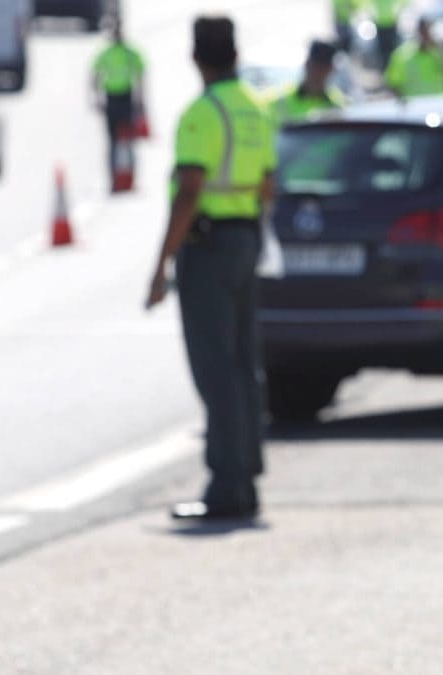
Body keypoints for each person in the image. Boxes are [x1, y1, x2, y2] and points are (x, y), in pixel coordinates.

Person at [145, 15, 275, 519]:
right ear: (236, 54)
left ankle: (226, 484)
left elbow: (189, 192)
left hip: (209, 246)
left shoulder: (200, 114)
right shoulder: (256, 110)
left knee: (214, 367)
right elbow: (268, 187)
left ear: (195, 58)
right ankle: (246, 477)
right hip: (245, 238)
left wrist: (161, 265)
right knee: (244, 363)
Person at [92, 21, 145, 183]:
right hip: (112, 98)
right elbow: (96, 76)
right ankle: (114, 177)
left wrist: (139, 99)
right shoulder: (108, 53)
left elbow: (140, 74)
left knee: (126, 140)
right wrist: (98, 97)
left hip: (125, 97)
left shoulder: (128, 53)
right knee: (114, 141)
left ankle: (130, 176)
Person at [268, 40, 345, 126]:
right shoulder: (279, 100)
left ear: (331, 69)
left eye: (323, 67)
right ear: (307, 64)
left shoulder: (338, 105)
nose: (318, 72)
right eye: (315, 66)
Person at [384, 17, 443, 98]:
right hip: (414, 104)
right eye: (424, 33)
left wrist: (442, 51)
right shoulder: (403, 55)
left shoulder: (439, 54)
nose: (426, 37)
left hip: (437, 103)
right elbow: (392, 82)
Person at [370, 0, 404, 69]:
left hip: (391, 24)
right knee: (383, 52)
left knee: (393, 51)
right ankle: (385, 70)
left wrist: (397, 15)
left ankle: (393, 69)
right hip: (380, 25)